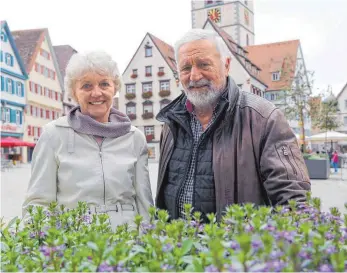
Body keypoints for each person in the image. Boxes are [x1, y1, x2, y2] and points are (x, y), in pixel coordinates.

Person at [155, 29, 311, 222]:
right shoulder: (170, 123)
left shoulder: (264, 118)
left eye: (204, 64)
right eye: (186, 68)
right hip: (177, 248)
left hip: (236, 249)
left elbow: (293, 201)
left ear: (226, 65)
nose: (194, 76)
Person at [22, 51, 153, 229]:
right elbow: (38, 202)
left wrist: (146, 244)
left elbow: (145, 203)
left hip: (125, 243)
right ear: (74, 93)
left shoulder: (134, 137)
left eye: (104, 84)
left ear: (114, 88)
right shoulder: (53, 135)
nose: (96, 93)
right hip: (74, 243)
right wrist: (51, 248)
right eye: (86, 86)